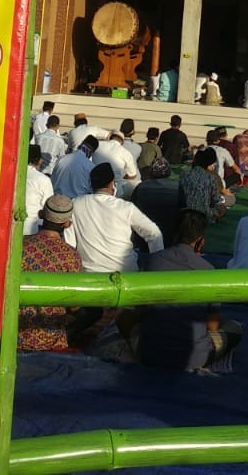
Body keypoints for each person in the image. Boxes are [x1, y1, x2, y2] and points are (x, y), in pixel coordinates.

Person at [132, 210, 243, 372]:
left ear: (174, 233)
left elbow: (140, 311)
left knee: (125, 319)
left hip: (149, 353)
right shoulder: (209, 272)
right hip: (193, 358)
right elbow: (212, 327)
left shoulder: (151, 261)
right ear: (200, 241)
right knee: (234, 328)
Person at [18, 195, 91, 351]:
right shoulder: (70, 255)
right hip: (50, 340)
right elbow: (75, 304)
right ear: (67, 224)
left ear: (41, 215)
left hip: (14, 333)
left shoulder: (19, 245)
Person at [72, 163, 165, 273]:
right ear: (112, 184)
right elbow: (154, 233)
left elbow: (70, 243)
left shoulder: (75, 203)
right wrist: (156, 266)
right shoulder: (126, 207)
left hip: (88, 270)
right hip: (126, 270)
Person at [179, 149, 229, 223]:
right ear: (208, 163)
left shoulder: (184, 174)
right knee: (223, 206)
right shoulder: (211, 177)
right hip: (203, 214)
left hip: (184, 213)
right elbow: (216, 199)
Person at [93, 131, 140, 199]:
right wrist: (122, 177)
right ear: (122, 142)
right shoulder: (125, 152)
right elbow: (132, 175)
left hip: (93, 187)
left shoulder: (98, 145)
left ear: (110, 138)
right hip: (115, 191)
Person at [51, 133, 98, 199]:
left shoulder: (62, 159)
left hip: (55, 200)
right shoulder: (91, 167)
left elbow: (53, 180)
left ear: (81, 144)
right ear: (92, 152)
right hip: (75, 204)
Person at [22, 146, 54, 235]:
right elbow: (48, 206)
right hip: (32, 228)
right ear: (39, 160)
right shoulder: (43, 179)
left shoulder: (13, 174)